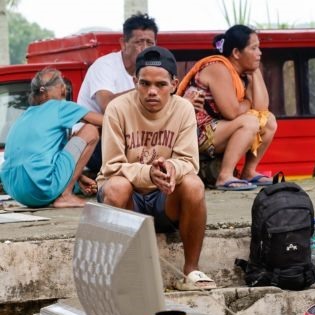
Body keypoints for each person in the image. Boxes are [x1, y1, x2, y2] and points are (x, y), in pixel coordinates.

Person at [97, 46, 216, 291]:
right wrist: (148, 173)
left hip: (165, 199)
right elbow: (111, 167)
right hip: (128, 200)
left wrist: (170, 168)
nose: (152, 91)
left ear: (174, 83)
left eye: (160, 85)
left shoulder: (183, 109)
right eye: (145, 83)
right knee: (117, 186)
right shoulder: (117, 109)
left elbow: (189, 161)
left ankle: (191, 270)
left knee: (194, 184)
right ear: (134, 81)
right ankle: (119, 273)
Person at [177, 25, 277, 190]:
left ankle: (249, 171)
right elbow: (231, 112)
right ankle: (224, 176)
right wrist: (248, 103)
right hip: (195, 133)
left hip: (218, 129)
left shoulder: (243, 72)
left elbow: (262, 109)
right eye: (254, 48)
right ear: (237, 53)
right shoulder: (218, 68)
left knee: (269, 121)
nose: (259, 53)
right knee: (250, 122)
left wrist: (256, 72)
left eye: (259, 48)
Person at [0, 68, 101, 208]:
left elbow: (41, 155)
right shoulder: (60, 107)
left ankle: (66, 190)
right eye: (62, 85)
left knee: (72, 139)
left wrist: (78, 177)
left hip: (15, 190)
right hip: (39, 188)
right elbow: (106, 120)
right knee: (90, 130)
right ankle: (66, 196)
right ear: (60, 88)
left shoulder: (25, 115)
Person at [77, 13, 158, 173]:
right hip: (95, 143)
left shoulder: (152, 71)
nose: (145, 48)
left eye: (150, 42)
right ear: (123, 43)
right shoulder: (105, 66)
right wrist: (142, 88)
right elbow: (108, 106)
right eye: (139, 42)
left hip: (130, 139)